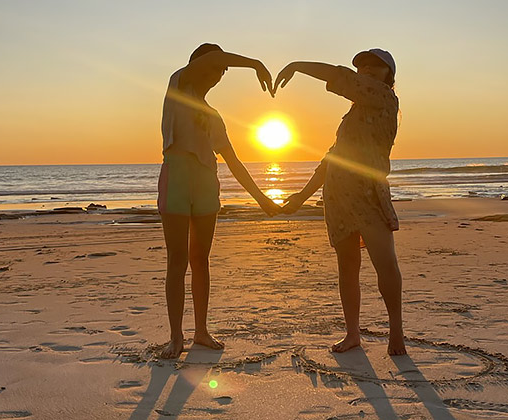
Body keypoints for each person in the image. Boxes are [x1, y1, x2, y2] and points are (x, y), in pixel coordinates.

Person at [277, 49, 406, 355]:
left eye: (376, 65)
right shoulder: (352, 115)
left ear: (389, 74)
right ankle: (352, 334)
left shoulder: (385, 98)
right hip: (338, 199)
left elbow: (340, 77)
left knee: (385, 264)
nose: (367, 68)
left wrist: (298, 63)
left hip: (368, 195)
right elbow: (331, 160)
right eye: (362, 65)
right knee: (347, 267)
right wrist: (300, 197)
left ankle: (396, 332)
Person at [158, 43, 281, 359]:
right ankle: (176, 337)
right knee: (177, 260)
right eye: (215, 69)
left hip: (205, 184)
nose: (218, 75)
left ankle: (201, 331)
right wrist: (254, 62)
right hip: (177, 177)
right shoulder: (179, 84)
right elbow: (213, 57)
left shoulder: (213, 116)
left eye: (222, 72)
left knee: (201, 260)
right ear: (198, 66)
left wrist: (262, 199)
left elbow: (233, 161)